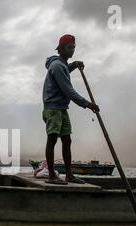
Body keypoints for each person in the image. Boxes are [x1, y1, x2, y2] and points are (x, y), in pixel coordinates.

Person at [42, 34, 99, 185]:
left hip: (61, 108)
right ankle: (52, 176)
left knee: (67, 140)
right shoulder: (57, 66)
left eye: (74, 48)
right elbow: (69, 91)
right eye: (69, 48)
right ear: (60, 49)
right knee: (52, 139)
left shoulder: (61, 65)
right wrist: (87, 104)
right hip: (53, 109)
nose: (72, 50)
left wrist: (73, 65)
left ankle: (68, 175)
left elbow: (65, 69)